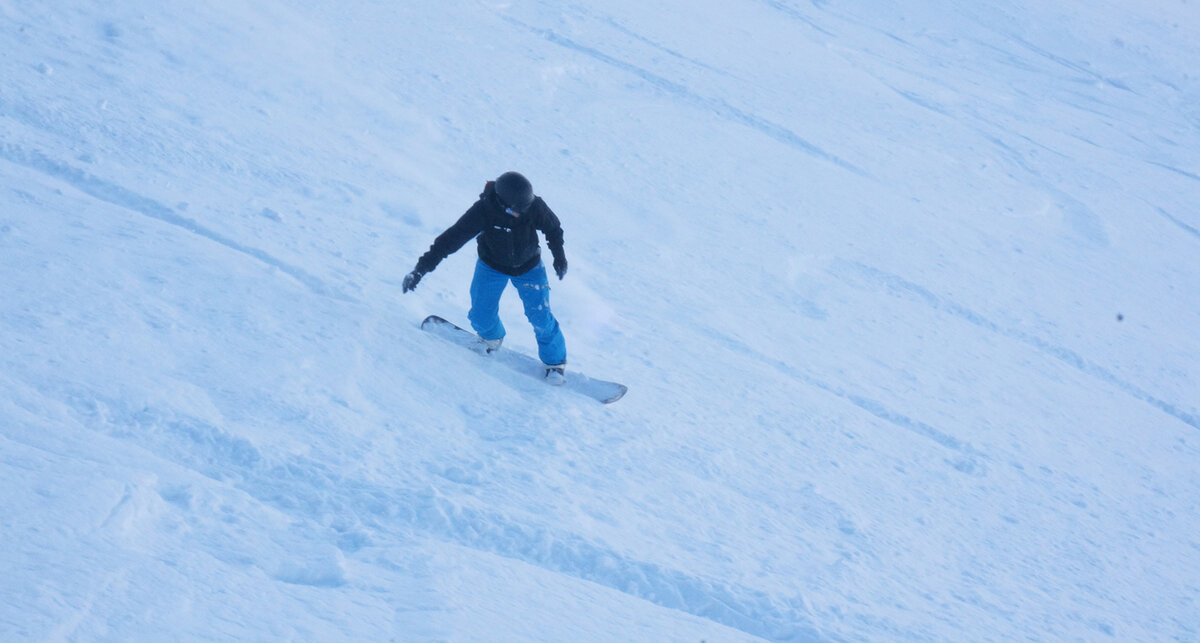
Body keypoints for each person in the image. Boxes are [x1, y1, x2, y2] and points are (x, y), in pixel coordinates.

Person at [402, 172, 569, 384]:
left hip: (529, 267)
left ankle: (555, 364)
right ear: (502, 203)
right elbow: (450, 240)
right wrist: (420, 269)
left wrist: (559, 256)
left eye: (525, 208)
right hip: (492, 266)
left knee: (541, 317)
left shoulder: (533, 206)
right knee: (480, 314)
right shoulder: (483, 211)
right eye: (517, 210)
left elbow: (553, 229)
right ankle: (491, 338)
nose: (522, 213)